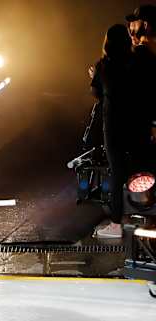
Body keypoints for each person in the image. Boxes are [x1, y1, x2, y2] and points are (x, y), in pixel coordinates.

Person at [91, 24, 134, 239]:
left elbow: (97, 93)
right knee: (138, 169)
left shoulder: (103, 66)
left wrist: (94, 74)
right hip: (136, 124)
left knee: (117, 174)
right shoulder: (134, 62)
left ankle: (117, 223)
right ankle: (142, 214)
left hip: (114, 128)